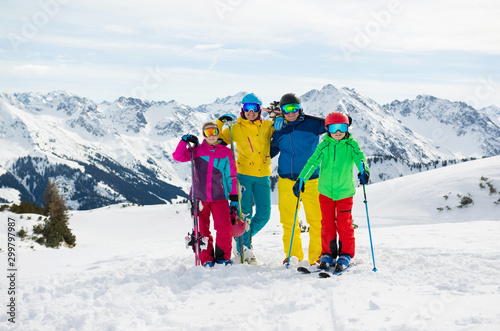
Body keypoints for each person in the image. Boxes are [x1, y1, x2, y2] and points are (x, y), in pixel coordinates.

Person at [294, 111, 370, 272]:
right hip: (325, 193)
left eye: (342, 127)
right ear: (327, 128)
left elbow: (360, 158)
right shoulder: (324, 145)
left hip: (344, 193)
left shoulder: (351, 144)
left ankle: (346, 254)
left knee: (344, 225)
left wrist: (364, 171)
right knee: (327, 225)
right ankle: (328, 253)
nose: (338, 132)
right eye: (334, 127)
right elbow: (312, 162)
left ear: (347, 127)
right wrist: (302, 179)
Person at [216, 93, 274, 264]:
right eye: (247, 108)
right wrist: (220, 123)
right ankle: (245, 248)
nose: (250, 111)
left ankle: (241, 238)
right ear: (242, 109)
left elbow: (286, 131)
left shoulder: (268, 126)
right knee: (245, 214)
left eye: (254, 108)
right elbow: (215, 140)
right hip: (243, 176)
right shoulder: (235, 128)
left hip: (263, 175)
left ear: (259, 109)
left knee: (264, 215)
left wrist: (280, 121)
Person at [172, 121, 239, 267]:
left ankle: (223, 257)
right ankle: (206, 258)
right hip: (199, 196)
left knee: (224, 228)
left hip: (219, 196)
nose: (211, 136)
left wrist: (233, 196)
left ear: (218, 133)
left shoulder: (226, 152)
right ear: (203, 134)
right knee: (202, 229)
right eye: (208, 132)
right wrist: (184, 141)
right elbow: (178, 156)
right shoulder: (196, 150)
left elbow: (231, 175)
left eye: (214, 132)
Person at [270, 93, 326, 265]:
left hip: (311, 179)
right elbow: (270, 152)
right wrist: (272, 129)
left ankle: (316, 257)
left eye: (294, 108)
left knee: (316, 220)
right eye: (286, 109)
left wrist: (341, 120)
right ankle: (293, 256)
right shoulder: (279, 129)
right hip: (287, 180)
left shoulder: (314, 124)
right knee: (289, 221)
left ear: (300, 108)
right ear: (282, 111)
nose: (291, 112)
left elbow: (341, 124)